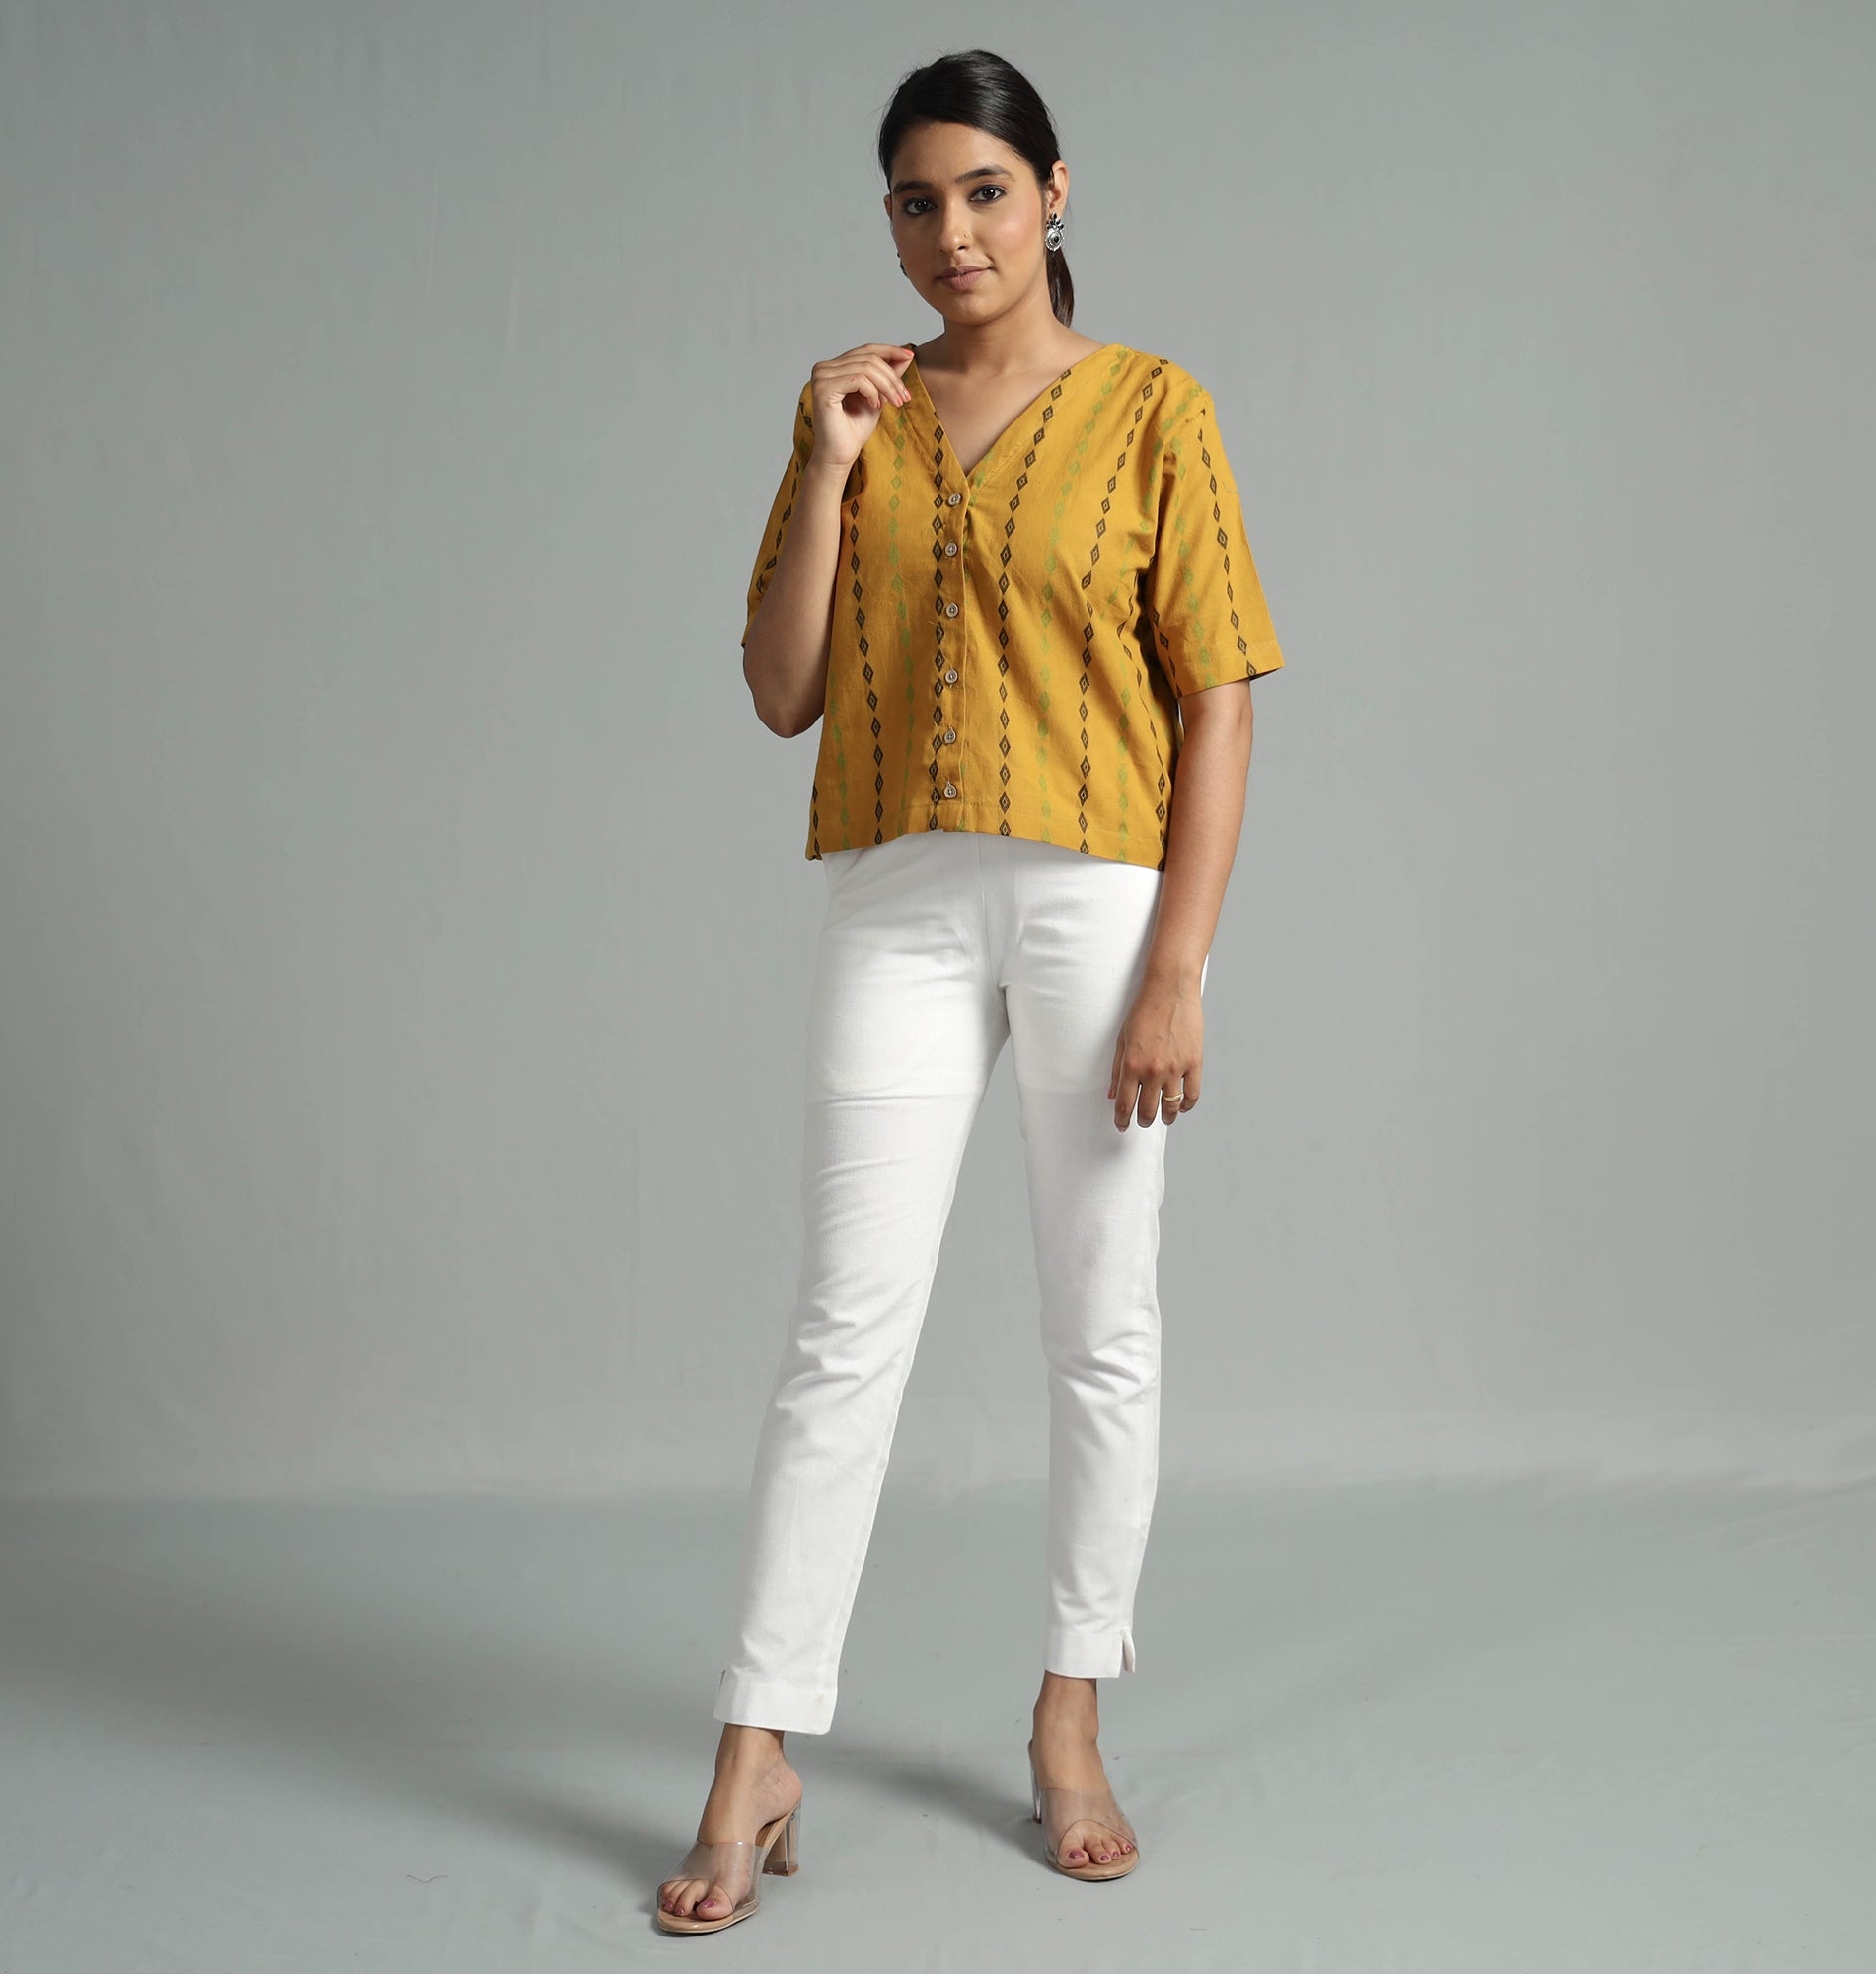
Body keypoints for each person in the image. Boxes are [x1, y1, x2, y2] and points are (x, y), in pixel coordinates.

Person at [656, 46, 1285, 1935]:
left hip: (1101, 900)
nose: (955, 234)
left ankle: (1070, 1712)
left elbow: (1219, 699)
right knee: (842, 1333)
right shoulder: (855, 412)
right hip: (897, 895)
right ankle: (756, 1750)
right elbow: (782, 693)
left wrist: (1179, 967)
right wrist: (825, 462)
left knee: (1104, 1326)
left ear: (1055, 193)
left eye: (987, 192)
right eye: (918, 203)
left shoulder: (1155, 408)